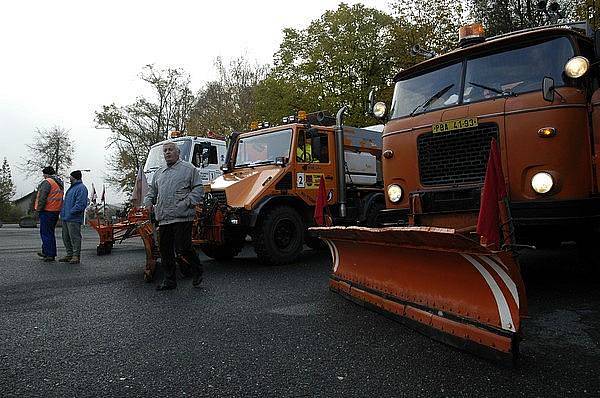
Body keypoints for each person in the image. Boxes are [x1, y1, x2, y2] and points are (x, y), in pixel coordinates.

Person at [143, 142, 204, 291]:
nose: (167, 153)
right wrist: (148, 202)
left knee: (183, 247)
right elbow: (152, 191)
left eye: (170, 150)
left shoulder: (189, 169)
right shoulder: (159, 172)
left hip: (182, 216)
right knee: (165, 250)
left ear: (178, 152)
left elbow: (198, 188)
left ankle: (197, 271)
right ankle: (169, 280)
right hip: (164, 218)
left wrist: (187, 203)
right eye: (165, 151)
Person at [59, 170, 89, 264]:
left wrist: (71, 212)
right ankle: (69, 254)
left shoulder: (81, 188)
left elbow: (81, 204)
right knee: (66, 237)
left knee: (74, 238)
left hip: (73, 218)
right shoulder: (71, 188)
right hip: (66, 217)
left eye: (70, 176)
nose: (69, 178)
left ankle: (76, 256)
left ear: (74, 177)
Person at [35, 166, 64, 262]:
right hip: (55, 211)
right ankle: (47, 251)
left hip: (47, 211)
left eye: (44, 174)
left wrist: (38, 210)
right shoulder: (59, 183)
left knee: (46, 233)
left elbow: (42, 198)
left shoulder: (47, 182)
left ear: (46, 174)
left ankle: (49, 254)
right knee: (50, 232)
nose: (43, 176)